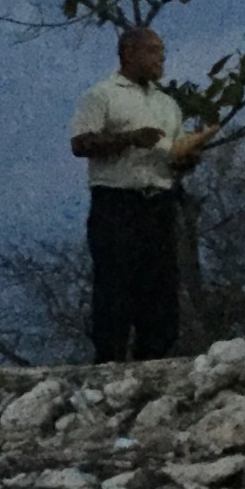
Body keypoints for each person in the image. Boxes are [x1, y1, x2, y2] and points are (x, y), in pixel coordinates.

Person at [70, 26, 209, 363]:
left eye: (162, 51)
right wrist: (129, 138)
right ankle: (110, 360)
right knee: (115, 283)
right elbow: (80, 144)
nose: (160, 58)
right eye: (152, 51)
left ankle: (154, 359)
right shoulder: (102, 95)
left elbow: (172, 155)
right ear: (128, 53)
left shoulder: (168, 104)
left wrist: (186, 159)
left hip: (158, 201)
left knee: (161, 285)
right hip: (117, 201)